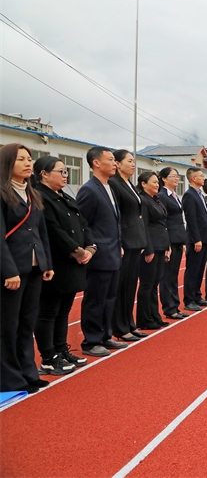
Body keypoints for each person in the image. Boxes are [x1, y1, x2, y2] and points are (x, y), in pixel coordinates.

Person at [0, 144, 54, 393]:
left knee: (26, 322)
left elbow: (42, 233)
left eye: (29, 158)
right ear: (7, 163)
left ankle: (28, 372)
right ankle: (9, 378)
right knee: (7, 325)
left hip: (33, 268)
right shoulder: (2, 193)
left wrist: (46, 264)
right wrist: (9, 271)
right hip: (12, 270)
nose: (27, 162)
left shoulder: (32, 194)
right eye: (21, 159)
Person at [33, 156, 94, 375]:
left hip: (74, 263)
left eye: (66, 171)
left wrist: (90, 248)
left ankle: (61, 350)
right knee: (49, 312)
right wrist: (77, 252)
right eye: (60, 171)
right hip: (56, 262)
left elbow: (83, 224)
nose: (65, 175)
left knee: (63, 311)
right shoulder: (40, 197)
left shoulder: (64, 196)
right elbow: (53, 230)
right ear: (44, 174)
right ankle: (48, 357)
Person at [75, 146, 127, 357]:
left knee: (109, 298)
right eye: (111, 159)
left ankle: (105, 335)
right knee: (95, 299)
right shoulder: (89, 189)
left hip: (114, 252)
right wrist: (91, 248)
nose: (115, 163)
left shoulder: (108, 188)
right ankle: (91, 341)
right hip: (99, 255)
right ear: (96, 163)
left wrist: (119, 243)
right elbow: (83, 223)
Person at [108, 150, 148, 342]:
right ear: (117, 163)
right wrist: (121, 241)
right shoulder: (114, 184)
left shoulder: (128, 184)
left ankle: (129, 324)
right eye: (129, 161)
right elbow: (117, 215)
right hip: (125, 240)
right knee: (122, 286)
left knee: (131, 285)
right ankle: (120, 326)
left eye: (134, 161)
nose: (133, 164)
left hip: (135, 240)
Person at [136, 171, 170, 330]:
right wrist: (148, 249)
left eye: (158, 182)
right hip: (151, 247)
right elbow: (144, 226)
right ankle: (144, 319)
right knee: (147, 284)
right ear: (143, 183)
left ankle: (154, 315)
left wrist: (167, 246)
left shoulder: (155, 200)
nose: (157, 185)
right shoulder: (143, 200)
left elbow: (162, 224)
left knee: (154, 283)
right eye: (154, 182)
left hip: (161, 245)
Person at [157, 168, 188, 320]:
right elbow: (162, 220)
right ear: (164, 178)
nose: (176, 179)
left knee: (174, 275)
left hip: (178, 239)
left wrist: (182, 241)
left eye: (177, 176)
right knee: (167, 276)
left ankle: (175, 305)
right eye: (173, 176)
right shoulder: (162, 196)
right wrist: (167, 243)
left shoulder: (175, 196)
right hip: (169, 240)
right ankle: (169, 307)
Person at [181, 167, 207, 311]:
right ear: (193, 178)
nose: (204, 178)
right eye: (201, 175)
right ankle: (189, 300)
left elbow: (205, 218)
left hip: (205, 238)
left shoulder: (200, 194)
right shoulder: (189, 195)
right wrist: (196, 239)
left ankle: (197, 295)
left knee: (200, 269)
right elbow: (191, 219)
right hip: (196, 239)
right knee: (193, 269)